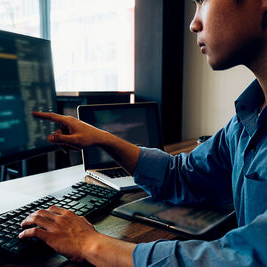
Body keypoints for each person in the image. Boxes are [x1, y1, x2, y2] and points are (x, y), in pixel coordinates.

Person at [19, 0, 267, 266]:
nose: (193, 24)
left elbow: (240, 259)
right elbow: (181, 176)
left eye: (203, 1)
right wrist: (103, 138)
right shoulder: (246, 119)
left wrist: (90, 243)